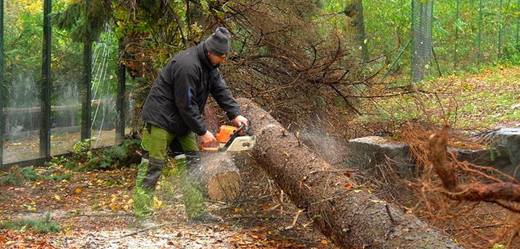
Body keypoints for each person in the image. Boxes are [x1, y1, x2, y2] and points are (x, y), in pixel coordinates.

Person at [133, 27, 249, 223]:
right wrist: (202, 131)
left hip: (182, 121)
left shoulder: (210, 66)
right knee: (153, 165)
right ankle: (142, 215)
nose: (223, 60)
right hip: (161, 119)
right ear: (212, 53)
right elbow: (185, 104)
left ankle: (196, 212)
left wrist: (235, 114)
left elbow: (220, 89)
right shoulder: (188, 65)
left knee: (192, 164)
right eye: (222, 57)